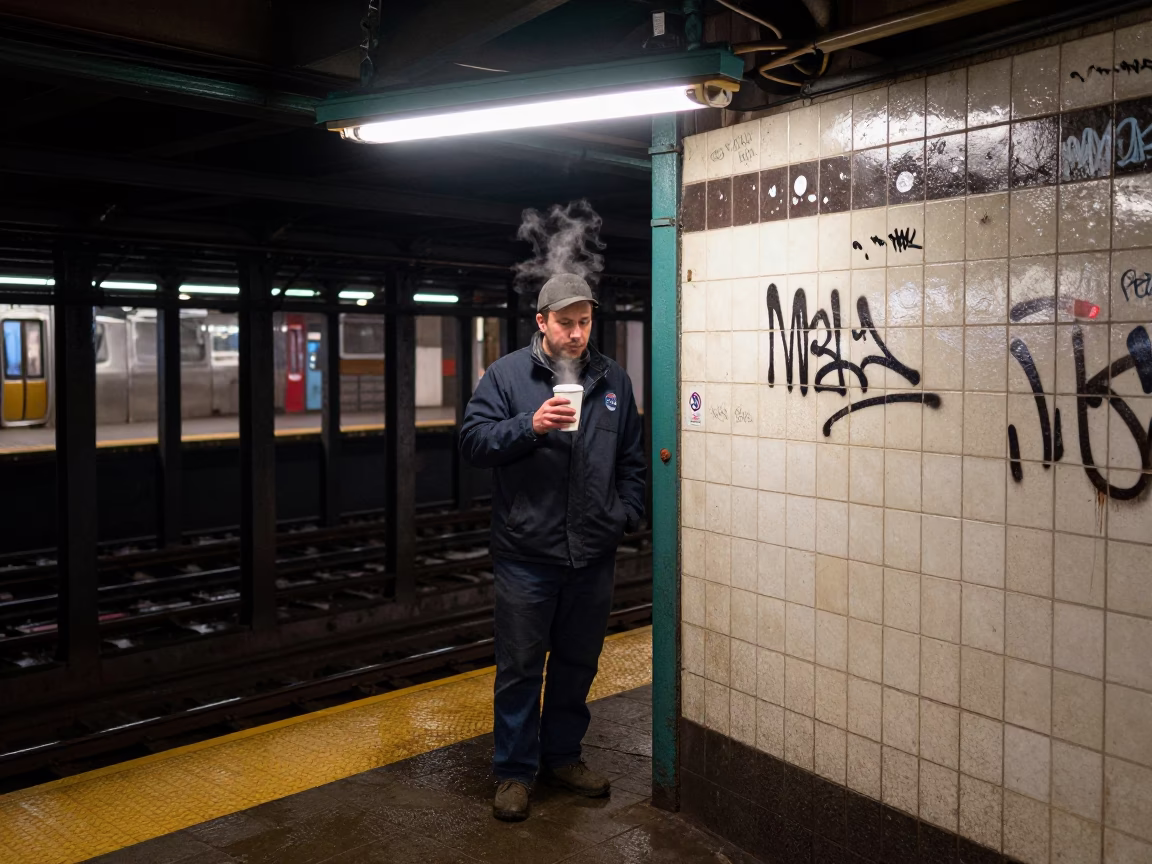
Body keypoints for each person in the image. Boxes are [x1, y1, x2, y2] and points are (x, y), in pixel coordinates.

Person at [458, 272, 646, 822]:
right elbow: (472, 441)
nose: (577, 334)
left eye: (585, 322)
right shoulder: (507, 376)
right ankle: (515, 773)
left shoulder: (613, 381)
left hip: (592, 554)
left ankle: (563, 757)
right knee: (519, 668)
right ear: (541, 322)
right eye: (565, 323)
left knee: (577, 663)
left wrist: (624, 515)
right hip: (527, 555)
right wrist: (530, 425)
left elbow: (631, 461)